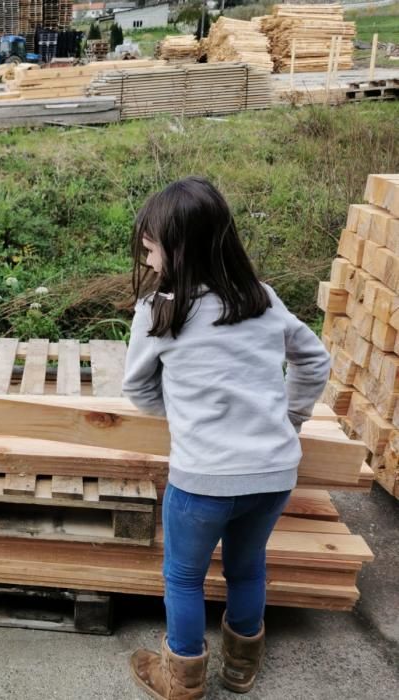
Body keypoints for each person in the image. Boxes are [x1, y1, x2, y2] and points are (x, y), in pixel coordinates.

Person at [121, 177, 330, 698]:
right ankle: (240, 669)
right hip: (273, 474)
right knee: (246, 567)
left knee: (185, 578)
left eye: (150, 251)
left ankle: (183, 678)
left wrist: (180, 413)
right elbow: (315, 359)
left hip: (203, 480)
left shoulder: (158, 312)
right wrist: (293, 415)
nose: (148, 263)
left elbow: (137, 388)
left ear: (179, 248)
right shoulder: (260, 298)